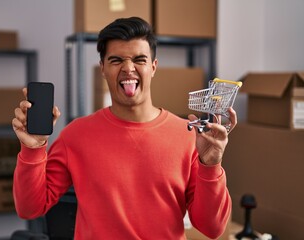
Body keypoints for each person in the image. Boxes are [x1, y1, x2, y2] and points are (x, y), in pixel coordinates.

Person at [12, 16, 235, 239]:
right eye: (116, 60)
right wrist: (33, 148)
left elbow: (212, 228)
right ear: (102, 68)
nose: (128, 68)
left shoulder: (188, 135)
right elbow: (30, 208)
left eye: (139, 59)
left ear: (153, 67)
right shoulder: (76, 135)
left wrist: (211, 166)